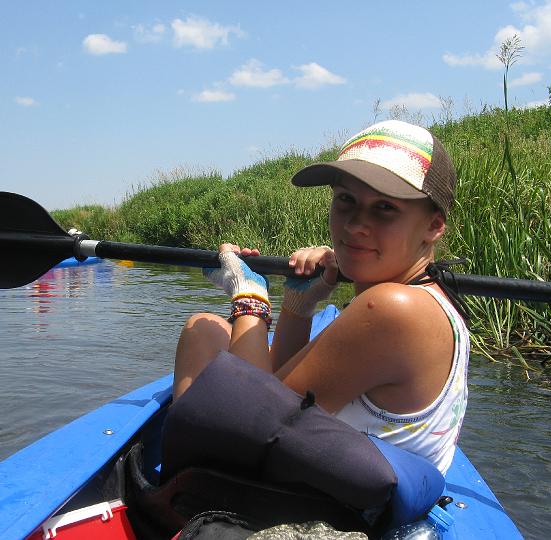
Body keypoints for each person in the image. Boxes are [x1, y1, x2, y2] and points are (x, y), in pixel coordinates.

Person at [172, 119, 469, 475]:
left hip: (306, 498)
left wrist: (249, 298)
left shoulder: (394, 308)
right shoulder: (431, 298)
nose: (354, 225)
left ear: (434, 225)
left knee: (201, 335)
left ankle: (181, 486)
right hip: (324, 478)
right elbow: (279, 386)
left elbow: (251, 420)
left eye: (385, 208)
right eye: (346, 200)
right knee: (205, 330)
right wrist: (299, 307)